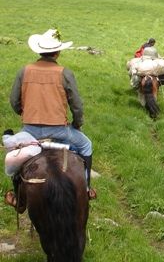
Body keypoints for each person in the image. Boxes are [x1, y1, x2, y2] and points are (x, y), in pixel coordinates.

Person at [5, 29, 96, 208]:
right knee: (86, 145)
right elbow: (77, 105)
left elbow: (14, 101)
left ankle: (19, 199)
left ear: (39, 51)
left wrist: (24, 113)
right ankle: (85, 190)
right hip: (59, 130)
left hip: (30, 130)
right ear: (58, 51)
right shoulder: (65, 73)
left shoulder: (24, 71)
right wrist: (77, 124)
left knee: (15, 155)